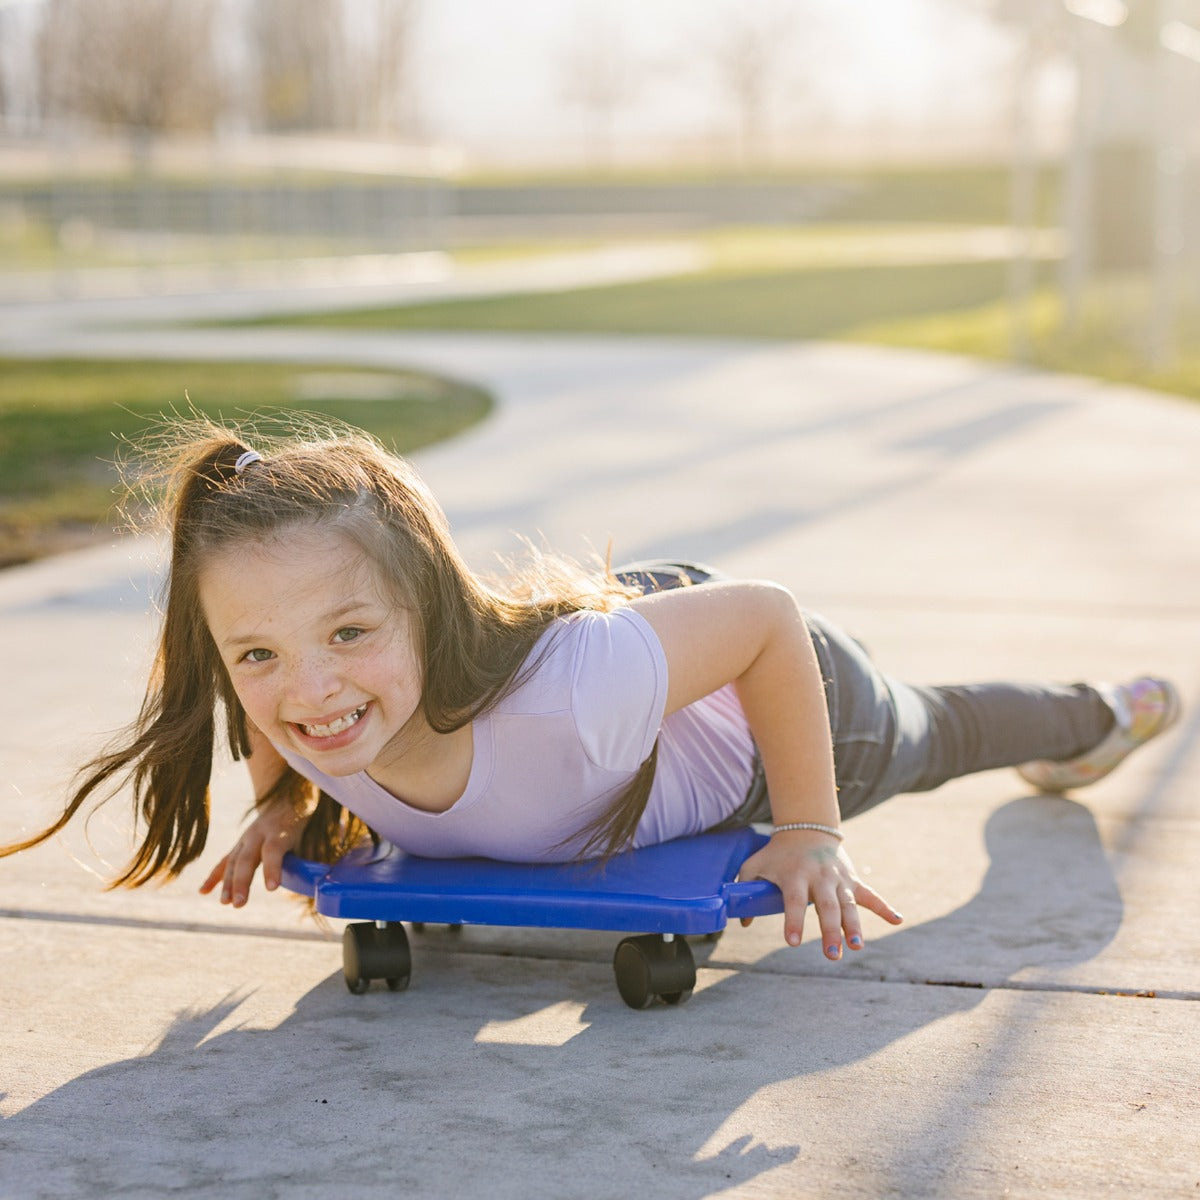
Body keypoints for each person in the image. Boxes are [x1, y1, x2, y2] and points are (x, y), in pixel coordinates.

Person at [1, 422, 1181, 962]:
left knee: (939, 727)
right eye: (253, 655)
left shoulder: (566, 695)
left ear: (428, 604)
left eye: (350, 631)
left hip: (768, 705)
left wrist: (812, 827)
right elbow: (290, 705)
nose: (306, 692)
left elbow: (765, 619)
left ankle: (1105, 711)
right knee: (318, 680)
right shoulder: (312, 706)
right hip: (635, 653)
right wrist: (276, 806)